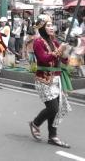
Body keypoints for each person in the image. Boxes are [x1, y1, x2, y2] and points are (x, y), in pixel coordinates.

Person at [29, 15, 72, 148]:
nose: (51, 27)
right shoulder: (38, 42)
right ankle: (35, 123)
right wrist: (59, 51)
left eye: (51, 25)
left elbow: (64, 60)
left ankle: (52, 136)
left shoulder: (55, 42)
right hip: (44, 79)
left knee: (56, 108)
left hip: (57, 79)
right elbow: (44, 58)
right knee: (53, 108)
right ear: (41, 27)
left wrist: (65, 52)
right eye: (48, 25)